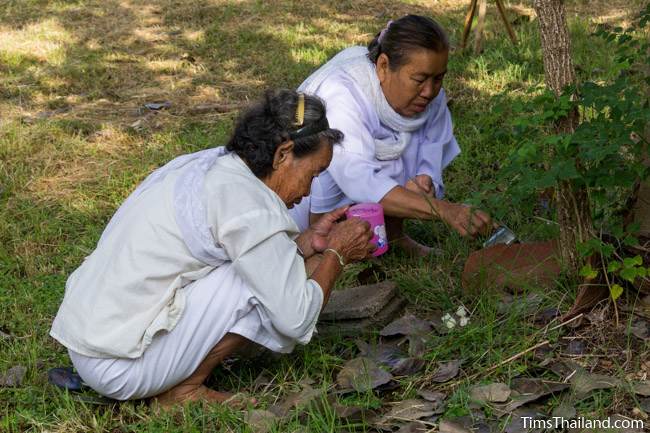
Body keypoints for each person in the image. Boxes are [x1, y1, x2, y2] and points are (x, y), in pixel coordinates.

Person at [49, 90, 375, 406]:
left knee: (262, 271)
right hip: (120, 367)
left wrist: (304, 244)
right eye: (313, 173)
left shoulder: (210, 164)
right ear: (282, 154)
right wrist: (337, 253)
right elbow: (296, 318)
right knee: (256, 284)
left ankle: (178, 378)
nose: (308, 190)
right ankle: (184, 390)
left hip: (92, 344)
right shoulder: (249, 205)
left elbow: (245, 249)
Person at [289, 15, 492, 255]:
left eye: (438, 78)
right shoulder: (342, 93)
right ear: (383, 66)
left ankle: (394, 237)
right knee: (332, 153)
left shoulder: (430, 95)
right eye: (419, 79)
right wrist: (445, 210)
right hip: (301, 199)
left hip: (359, 179)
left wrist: (425, 179)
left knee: (400, 144)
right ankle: (323, 243)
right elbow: (358, 178)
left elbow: (432, 148)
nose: (429, 91)